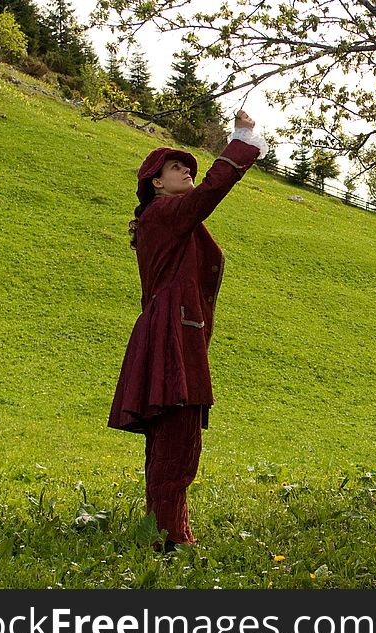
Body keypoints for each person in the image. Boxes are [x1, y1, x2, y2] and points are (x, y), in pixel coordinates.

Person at [108, 110, 269, 551]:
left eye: (189, 167)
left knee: (172, 438)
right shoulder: (165, 213)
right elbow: (213, 190)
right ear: (156, 183)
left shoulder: (166, 219)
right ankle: (169, 537)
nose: (188, 172)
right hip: (171, 336)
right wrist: (243, 138)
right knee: (178, 440)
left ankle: (163, 530)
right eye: (177, 167)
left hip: (170, 332)